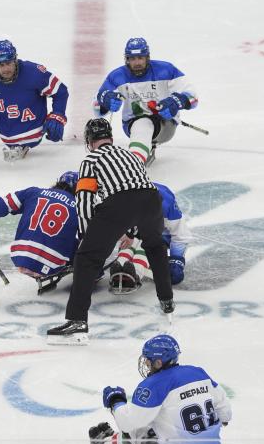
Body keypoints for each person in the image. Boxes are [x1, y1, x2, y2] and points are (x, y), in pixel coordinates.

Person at [46, 118, 174, 345]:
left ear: (89, 140)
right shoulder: (129, 155)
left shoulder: (91, 159)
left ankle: (77, 321)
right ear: (111, 137)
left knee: (86, 259)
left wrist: (87, 237)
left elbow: (84, 200)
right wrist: (133, 229)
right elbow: (139, 190)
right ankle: (166, 301)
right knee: (155, 247)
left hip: (120, 203)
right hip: (152, 200)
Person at [89, 334, 232, 444]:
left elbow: (127, 424)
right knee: (159, 418)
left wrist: (116, 401)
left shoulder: (154, 384)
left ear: (158, 362)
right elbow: (225, 413)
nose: (146, 365)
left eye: (148, 361)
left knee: (137, 431)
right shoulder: (198, 372)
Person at [0, 172, 79, 281]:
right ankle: (95, 271)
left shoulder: (34, 192)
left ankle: (30, 260)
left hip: (20, 255)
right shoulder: (80, 205)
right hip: (52, 263)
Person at [95, 37, 198, 166]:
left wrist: (176, 102)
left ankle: (134, 165)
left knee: (144, 122)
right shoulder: (117, 76)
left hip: (166, 124)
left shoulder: (166, 70)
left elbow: (193, 98)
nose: (137, 62)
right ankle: (139, 155)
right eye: (132, 59)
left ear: (147, 57)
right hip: (131, 125)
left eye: (140, 58)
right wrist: (105, 100)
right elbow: (97, 108)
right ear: (127, 59)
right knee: (142, 122)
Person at [0, 39, 69, 161]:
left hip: (36, 131)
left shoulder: (34, 73)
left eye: (9, 63)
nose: (6, 69)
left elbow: (60, 91)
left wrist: (57, 116)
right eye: (1, 65)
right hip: (7, 136)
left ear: (15, 60)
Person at [109, 182, 192, 294]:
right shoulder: (124, 198)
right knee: (131, 242)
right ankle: (122, 262)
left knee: (151, 246)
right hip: (137, 225)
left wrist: (176, 261)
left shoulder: (167, 207)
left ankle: (136, 271)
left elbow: (180, 235)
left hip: (159, 233)